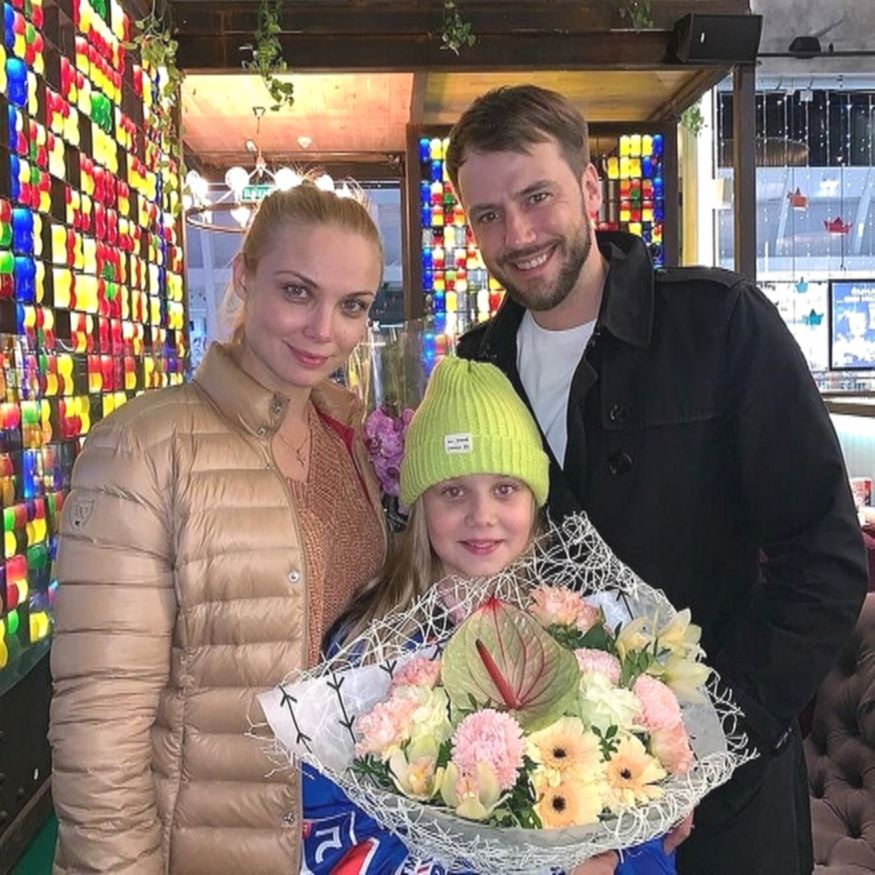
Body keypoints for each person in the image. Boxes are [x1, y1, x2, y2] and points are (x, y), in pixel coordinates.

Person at [445, 84, 869, 874]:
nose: (518, 234)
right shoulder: (476, 366)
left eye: (535, 197)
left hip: (728, 798)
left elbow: (823, 562)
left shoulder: (720, 322)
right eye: (487, 215)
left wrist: (699, 743)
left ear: (589, 187)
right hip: (552, 800)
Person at [48, 181, 388, 874]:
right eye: (297, 292)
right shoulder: (146, 446)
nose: (324, 329)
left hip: (350, 839)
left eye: (351, 305)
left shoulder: (347, 435)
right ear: (243, 277)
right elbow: (100, 729)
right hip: (213, 846)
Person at [302, 356, 688, 875]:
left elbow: (650, 816)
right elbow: (331, 830)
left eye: (504, 488)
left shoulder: (592, 636)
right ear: (419, 507)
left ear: (534, 500)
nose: (481, 515)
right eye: (452, 491)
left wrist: (616, 861)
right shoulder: (368, 647)